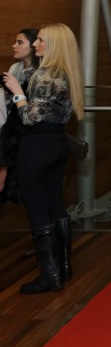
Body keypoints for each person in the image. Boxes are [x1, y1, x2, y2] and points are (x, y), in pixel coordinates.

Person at [2, 24, 84, 296]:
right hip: (58, 144)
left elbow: (29, 118)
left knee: (38, 209)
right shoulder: (67, 72)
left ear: (53, 45)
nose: (35, 44)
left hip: (36, 148)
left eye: (40, 40)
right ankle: (63, 267)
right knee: (56, 206)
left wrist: (17, 91)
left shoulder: (43, 75)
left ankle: (50, 276)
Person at [0, 28, 41, 203]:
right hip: (11, 124)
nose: (14, 46)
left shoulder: (40, 73)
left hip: (29, 128)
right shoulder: (15, 68)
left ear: (33, 46)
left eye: (20, 42)